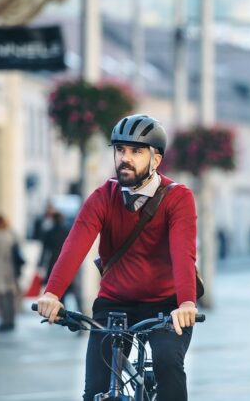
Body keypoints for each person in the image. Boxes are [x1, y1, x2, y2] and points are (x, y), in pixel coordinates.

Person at [35, 114, 199, 401]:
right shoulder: (103, 196)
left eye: (136, 151)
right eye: (121, 150)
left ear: (156, 159)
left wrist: (186, 302)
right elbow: (75, 244)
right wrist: (52, 293)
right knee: (97, 388)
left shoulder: (177, 197)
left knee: (167, 363)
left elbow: (182, 253)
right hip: (116, 303)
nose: (125, 158)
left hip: (166, 305)